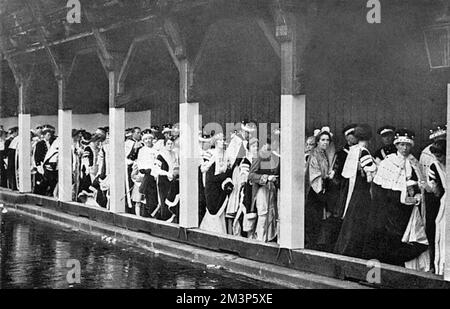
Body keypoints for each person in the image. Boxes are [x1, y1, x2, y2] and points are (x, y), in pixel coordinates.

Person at [363, 129, 429, 269]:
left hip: (408, 208)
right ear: (397, 145)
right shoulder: (389, 162)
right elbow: (380, 187)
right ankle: (389, 268)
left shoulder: (413, 162)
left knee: (406, 238)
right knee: (390, 237)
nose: (404, 148)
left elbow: (420, 184)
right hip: (390, 207)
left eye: (407, 145)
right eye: (401, 145)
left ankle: (404, 268)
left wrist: (416, 191)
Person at [334, 124, 377, 258]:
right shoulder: (364, 151)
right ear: (369, 138)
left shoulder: (353, 150)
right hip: (362, 192)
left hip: (353, 190)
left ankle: (345, 249)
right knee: (358, 221)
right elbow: (370, 176)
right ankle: (352, 251)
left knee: (351, 220)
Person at [305, 127, 335, 250]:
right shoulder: (314, 154)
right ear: (318, 141)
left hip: (322, 189)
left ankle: (316, 243)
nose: (325, 142)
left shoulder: (323, 153)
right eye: (322, 140)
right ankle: (311, 244)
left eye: (327, 140)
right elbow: (314, 175)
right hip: (315, 190)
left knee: (319, 219)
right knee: (313, 218)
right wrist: (326, 178)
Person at [200, 133, 234, 234]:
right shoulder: (210, 153)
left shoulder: (226, 154)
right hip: (211, 186)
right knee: (213, 209)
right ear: (215, 142)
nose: (222, 142)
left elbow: (228, 168)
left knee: (220, 210)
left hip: (221, 186)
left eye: (223, 140)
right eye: (219, 140)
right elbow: (204, 169)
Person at [248, 138, 280, 242]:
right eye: (265, 147)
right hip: (261, 189)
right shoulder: (258, 158)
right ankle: (260, 238)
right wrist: (266, 178)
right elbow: (251, 175)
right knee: (263, 213)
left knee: (271, 213)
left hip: (271, 189)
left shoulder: (274, 158)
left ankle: (268, 238)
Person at [426, 139, 446, 274]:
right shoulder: (434, 166)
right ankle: (441, 267)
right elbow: (436, 191)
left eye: (440, 156)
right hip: (445, 202)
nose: (438, 159)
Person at [152, 137, 178, 220]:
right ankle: (163, 218)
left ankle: (170, 218)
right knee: (163, 199)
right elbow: (156, 169)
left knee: (171, 198)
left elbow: (176, 165)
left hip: (172, 179)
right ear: (165, 145)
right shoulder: (160, 155)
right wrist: (167, 173)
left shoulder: (174, 154)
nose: (170, 146)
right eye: (168, 144)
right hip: (163, 180)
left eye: (171, 144)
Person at [134, 131, 158, 217]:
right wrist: (142, 170)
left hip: (154, 174)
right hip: (144, 174)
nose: (148, 141)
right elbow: (139, 162)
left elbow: (157, 162)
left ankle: (150, 212)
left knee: (152, 195)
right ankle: (139, 215)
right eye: (146, 139)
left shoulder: (156, 150)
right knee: (139, 197)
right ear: (144, 141)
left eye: (149, 139)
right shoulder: (141, 150)